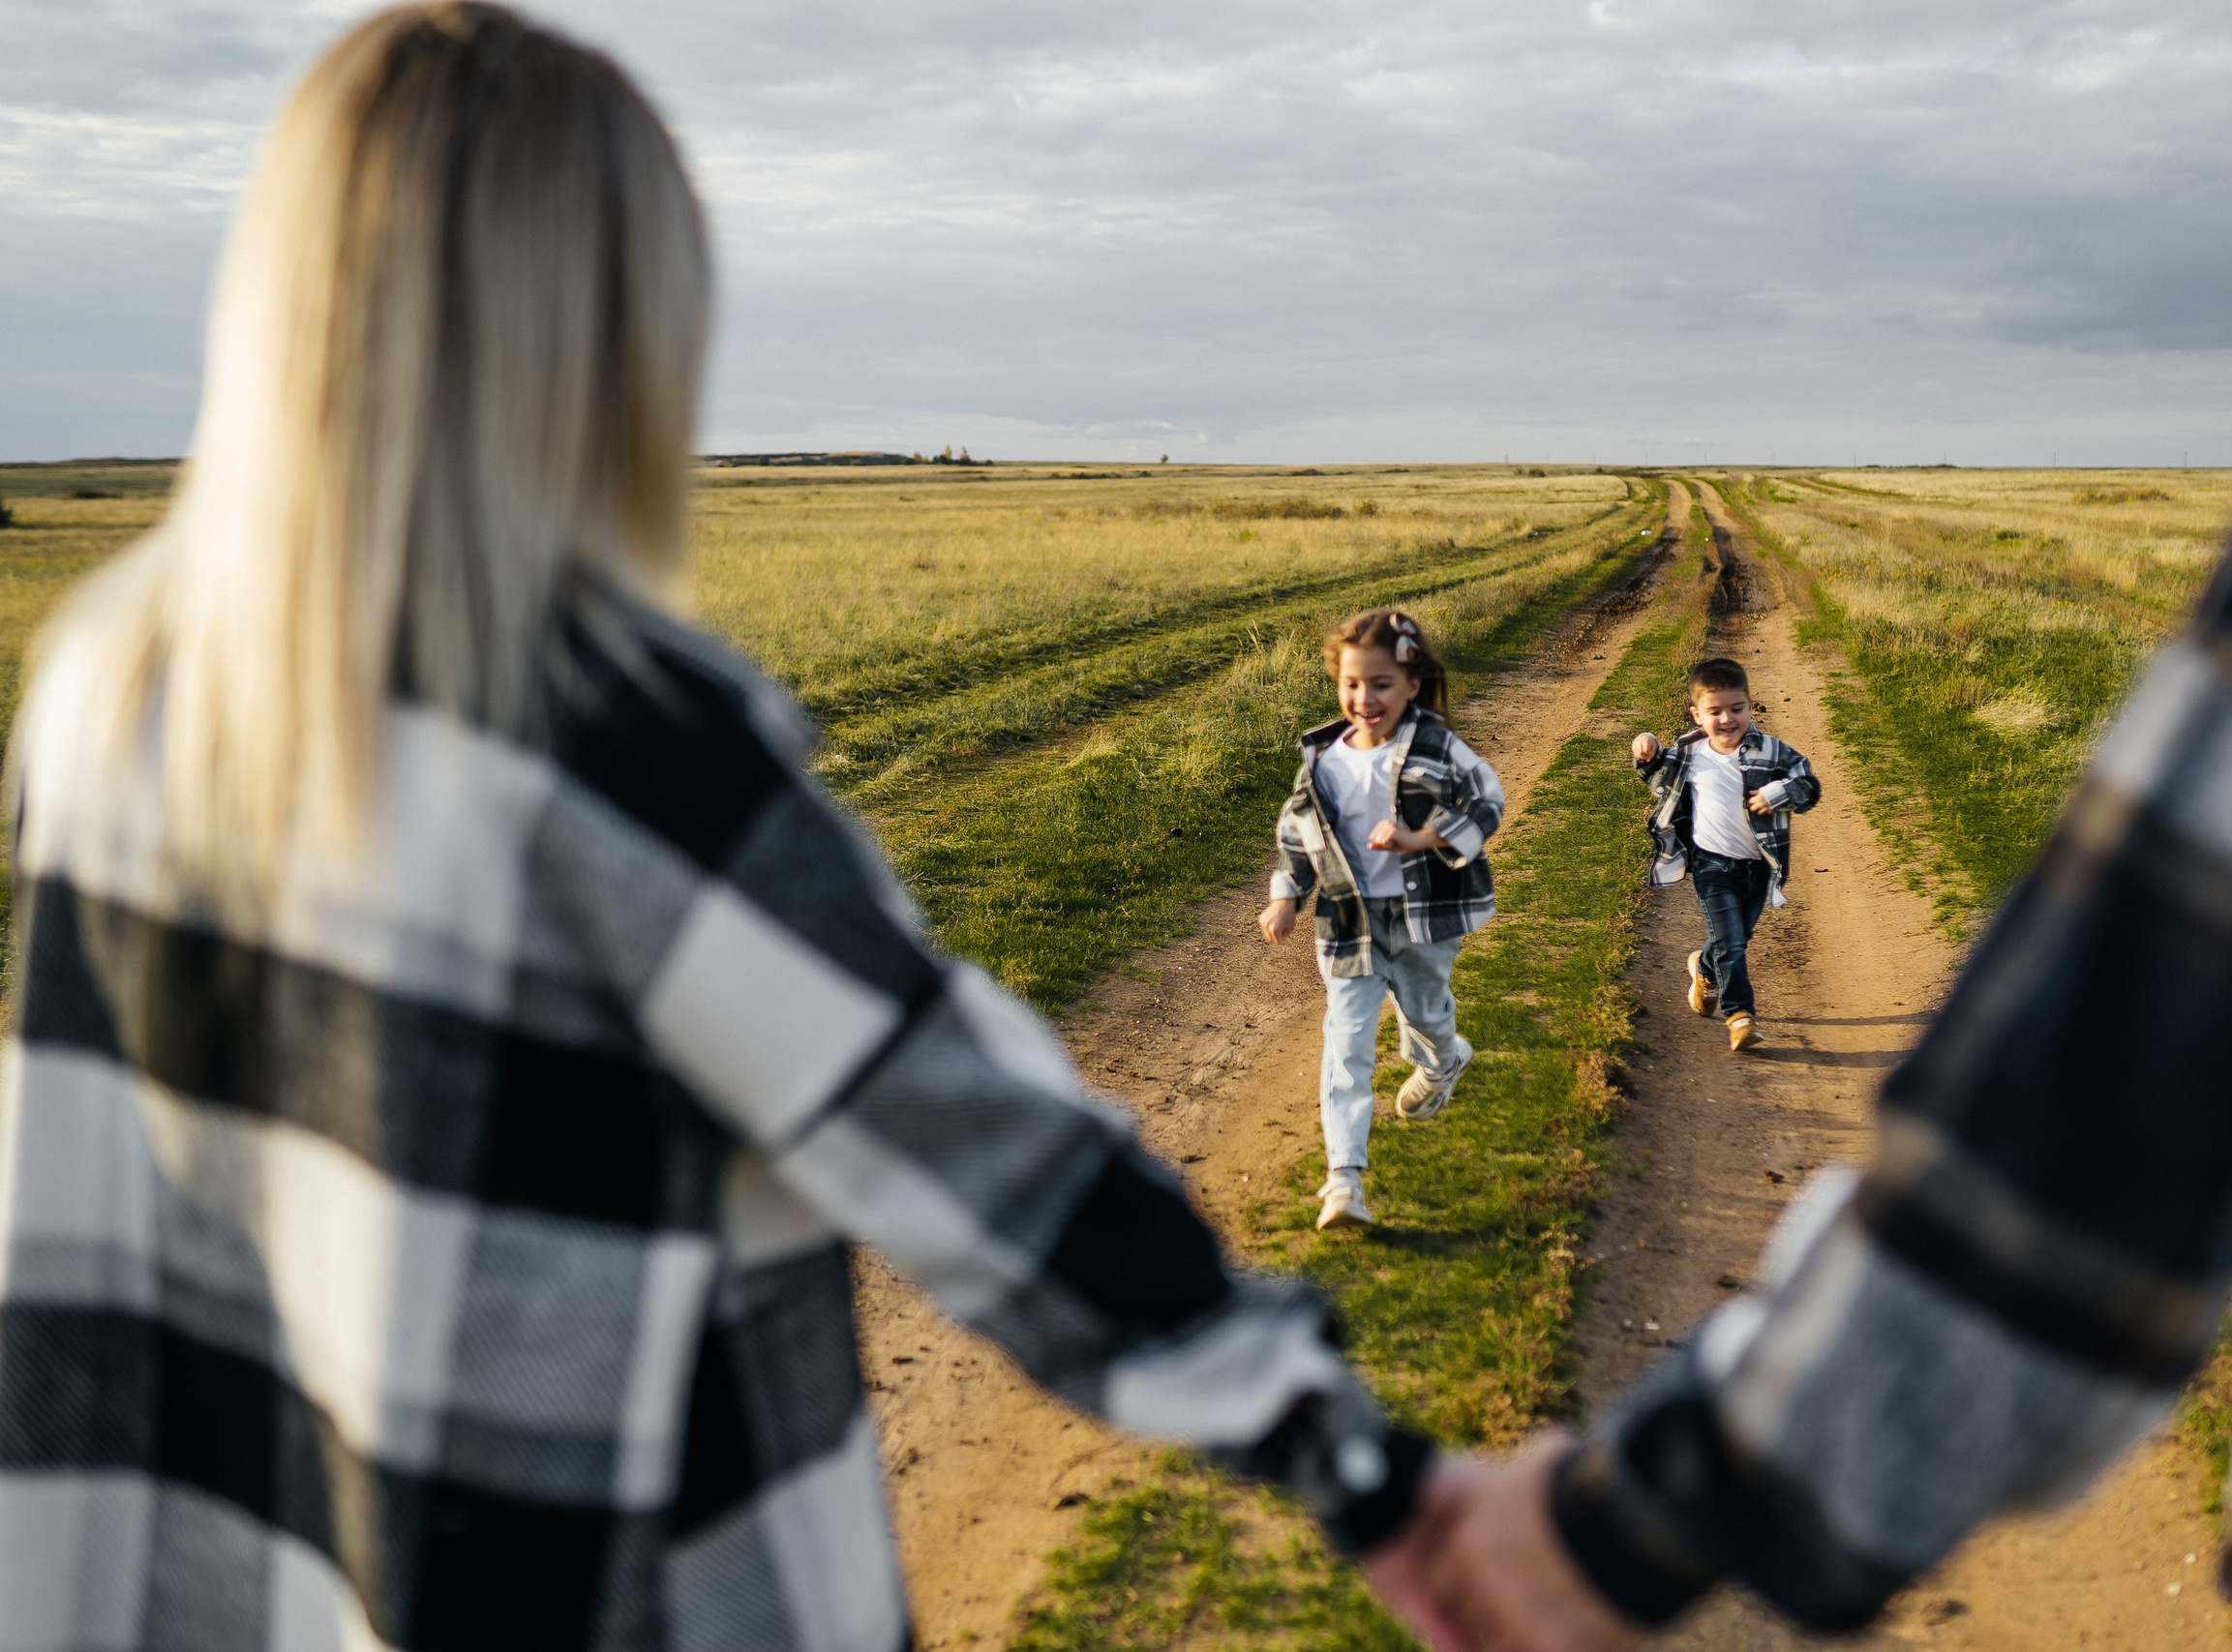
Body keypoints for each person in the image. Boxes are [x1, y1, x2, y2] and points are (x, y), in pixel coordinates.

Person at [0, 11, 1464, 1649]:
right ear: (606, 333)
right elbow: (971, 1139)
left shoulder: (108, 702)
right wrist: (1366, 1465)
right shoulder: (606, 737)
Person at [1424, 268, 2232, 1650]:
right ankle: (1720, 983)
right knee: (1724, 935)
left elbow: (2131, 1075)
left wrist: (1651, 1520)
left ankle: (1724, 987)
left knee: (1735, 931)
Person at [1257, 609, 1506, 1231]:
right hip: (1348, 919)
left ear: (1412, 685)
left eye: (1382, 684)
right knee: (1346, 1044)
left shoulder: (1437, 745)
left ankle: (1442, 1060)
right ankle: (1344, 1180)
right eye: (1352, 684)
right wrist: (1286, 896)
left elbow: (1489, 801)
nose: (1365, 699)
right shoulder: (1322, 758)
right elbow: (1297, 833)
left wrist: (1422, 838)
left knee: (1427, 1015)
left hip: (1424, 918)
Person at [1628, 658, 1821, 1052]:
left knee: (1736, 939)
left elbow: (1809, 785)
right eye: (1715, 712)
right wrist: (1645, 749)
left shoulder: (1772, 751)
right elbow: (1655, 774)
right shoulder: (1689, 751)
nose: (1727, 719)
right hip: (1710, 863)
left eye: (1737, 709)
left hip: (1758, 866)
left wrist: (1777, 794)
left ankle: (1703, 968)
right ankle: (1740, 1017)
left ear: (1750, 706)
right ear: (1697, 714)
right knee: (1731, 943)